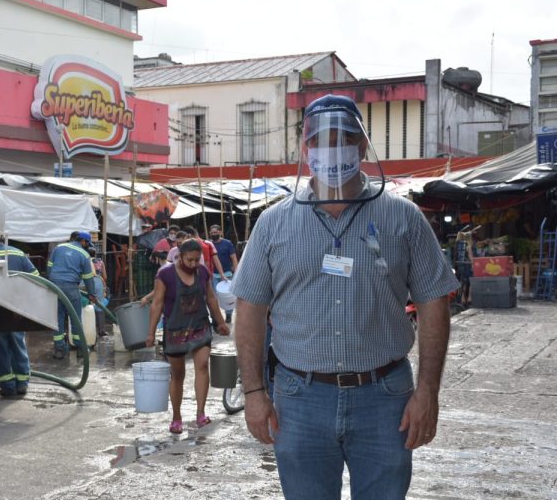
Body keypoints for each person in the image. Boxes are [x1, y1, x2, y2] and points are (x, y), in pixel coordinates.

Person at [232, 94, 459, 499]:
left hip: (385, 398)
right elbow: (249, 309)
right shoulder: (273, 223)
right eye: (322, 140)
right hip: (299, 400)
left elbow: (434, 302)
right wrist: (253, 393)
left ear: (362, 147)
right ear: (306, 149)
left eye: (345, 138)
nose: (333, 149)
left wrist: (428, 391)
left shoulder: (404, 218)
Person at [146, 239, 230, 434]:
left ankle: (200, 413)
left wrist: (220, 322)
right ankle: (176, 417)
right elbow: (157, 303)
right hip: (174, 330)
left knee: (202, 365)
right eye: (189, 260)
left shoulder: (203, 272)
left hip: (200, 326)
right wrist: (150, 332)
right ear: (179, 256)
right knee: (178, 375)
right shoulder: (165, 274)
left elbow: (210, 298)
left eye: (196, 260)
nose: (193, 264)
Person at [0, 238, 39, 398]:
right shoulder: (18, 253)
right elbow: (36, 277)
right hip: (17, 306)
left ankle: (7, 386)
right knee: (17, 343)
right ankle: (22, 383)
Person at [47, 231, 96, 359]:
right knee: (75, 318)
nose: (87, 246)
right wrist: (92, 294)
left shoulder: (58, 248)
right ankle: (80, 349)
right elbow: (88, 277)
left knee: (58, 318)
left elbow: (49, 267)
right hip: (71, 287)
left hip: (55, 286)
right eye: (87, 243)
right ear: (83, 241)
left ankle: (59, 350)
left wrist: (52, 282)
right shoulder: (84, 255)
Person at [209, 224, 239, 323]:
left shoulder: (227, 243)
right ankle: (216, 318)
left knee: (228, 295)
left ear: (220, 232)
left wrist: (236, 271)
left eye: (216, 232)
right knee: (215, 296)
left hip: (227, 273)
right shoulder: (209, 244)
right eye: (212, 232)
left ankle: (229, 314)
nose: (214, 234)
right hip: (214, 274)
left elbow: (233, 257)